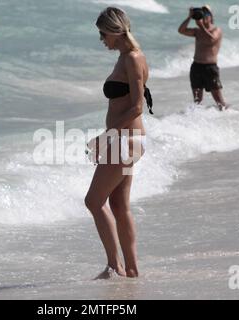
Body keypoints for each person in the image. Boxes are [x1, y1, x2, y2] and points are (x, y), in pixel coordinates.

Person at [85, 7, 151, 279]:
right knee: (118, 206)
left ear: (114, 30)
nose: (102, 40)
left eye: (103, 34)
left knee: (93, 201)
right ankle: (131, 269)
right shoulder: (126, 57)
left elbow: (136, 107)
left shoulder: (132, 58)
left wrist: (105, 137)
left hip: (125, 140)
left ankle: (115, 267)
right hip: (126, 140)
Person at [178, 5, 227, 110]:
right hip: (196, 67)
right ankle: (197, 122)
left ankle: (226, 118)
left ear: (211, 16)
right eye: (202, 13)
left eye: (206, 13)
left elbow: (211, 40)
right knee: (197, 101)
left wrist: (201, 26)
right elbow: (181, 30)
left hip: (210, 68)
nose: (204, 15)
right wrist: (189, 17)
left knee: (219, 100)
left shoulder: (216, 30)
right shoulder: (197, 31)